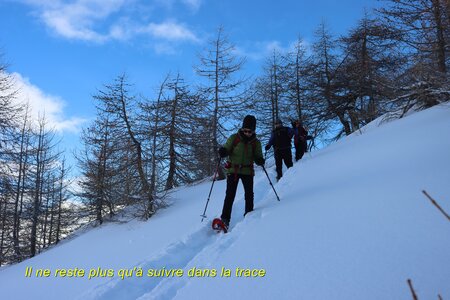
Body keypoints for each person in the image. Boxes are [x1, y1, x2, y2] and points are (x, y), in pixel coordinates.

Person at [218, 115, 265, 229]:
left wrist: (260, 160)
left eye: (250, 131)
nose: (248, 133)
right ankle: (225, 219)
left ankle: (249, 215)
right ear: (242, 128)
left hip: (247, 171)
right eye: (246, 130)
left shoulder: (256, 143)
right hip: (233, 170)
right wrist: (223, 151)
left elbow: (258, 156)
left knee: (249, 194)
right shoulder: (234, 138)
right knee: (230, 195)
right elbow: (227, 148)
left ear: (254, 130)